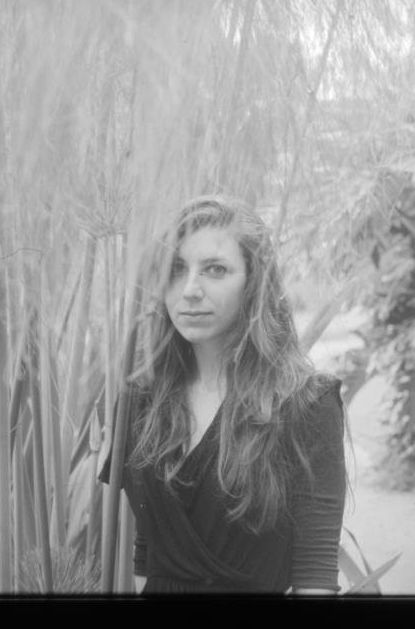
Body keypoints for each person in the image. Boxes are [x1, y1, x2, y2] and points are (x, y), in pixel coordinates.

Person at [99, 195, 346, 595]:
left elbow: (315, 576)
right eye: (177, 269)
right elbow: (148, 550)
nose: (190, 290)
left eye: (215, 269)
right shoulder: (140, 399)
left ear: (254, 284)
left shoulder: (306, 403)